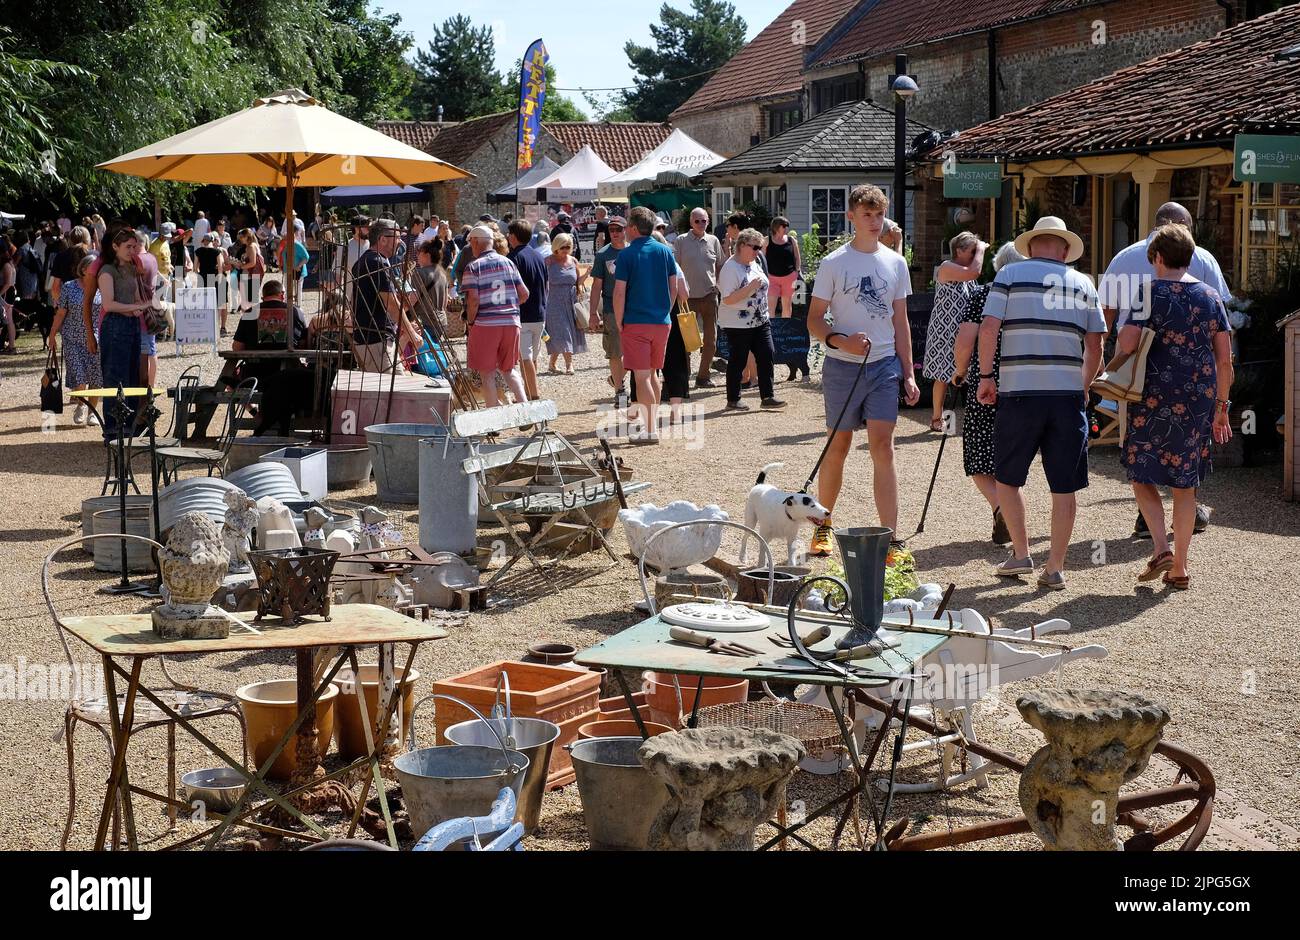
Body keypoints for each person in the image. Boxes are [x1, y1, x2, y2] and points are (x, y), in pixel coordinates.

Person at [977, 217, 1106, 590]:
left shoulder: (1010, 276)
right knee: (1064, 486)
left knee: (1007, 477)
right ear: (1064, 250)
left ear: (1032, 246)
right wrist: (1083, 387)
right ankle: (1055, 567)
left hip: (1019, 392)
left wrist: (987, 377)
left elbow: (989, 327)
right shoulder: (1084, 283)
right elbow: (1096, 344)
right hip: (1066, 397)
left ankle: (1021, 553)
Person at [1099, 200, 1228, 539]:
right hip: (1199, 384)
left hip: (1144, 377)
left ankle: (1149, 524)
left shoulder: (1124, 261)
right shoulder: (1207, 272)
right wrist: (1224, 396)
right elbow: (1224, 342)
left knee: (1143, 450)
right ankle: (1184, 535)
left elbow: (1108, 319)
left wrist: (1101, 367)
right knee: (1186, 457)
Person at [805, 184, 919, 557]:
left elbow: (900, 321)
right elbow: (813, 321)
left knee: (883, 449)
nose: (874, 221)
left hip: (884, 365)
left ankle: (891, 538)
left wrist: (909, 372)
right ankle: (823, 525)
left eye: (878, 214)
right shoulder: (833, 263)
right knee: (838, 446)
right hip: (842, 367)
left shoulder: (896, 262)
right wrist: (841, 341)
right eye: (866, 214)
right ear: (850, 217)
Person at [1119, 224, 1234, 591]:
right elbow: (1225, 360)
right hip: (1198, 397)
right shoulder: (1211, 296)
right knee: (1186, 485)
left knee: (1141, 471)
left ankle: (1160, 548)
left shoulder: (1147, 293)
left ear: (1157, 257)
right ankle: (1179, 567)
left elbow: (1127, 343)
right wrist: (1222, 407)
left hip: (1154, 393)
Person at [953, 242, 1024, 546]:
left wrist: (958, 370)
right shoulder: (1029, 297)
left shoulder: (983, 295)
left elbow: (966, 340)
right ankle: (1009, 512)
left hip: (987, 383)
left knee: (978, 456)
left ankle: (1000, 508)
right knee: (1012, 456)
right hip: (1023, 384)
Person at [614, 206, 677, 443]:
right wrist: (665, 312)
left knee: (641, 378)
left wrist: (619, 320)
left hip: (636, 321)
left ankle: (650, 430)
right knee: (652, 375)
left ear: (632, 227)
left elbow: (619, 293)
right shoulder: (665, 251)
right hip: (661, 321)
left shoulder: (627, 255)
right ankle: (652, 425)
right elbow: (674, 288)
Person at [925, 232, 987, 432]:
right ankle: (938, 419)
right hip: (944, 330)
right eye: (972, 251)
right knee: (942, 377)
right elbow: (974, 272)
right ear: (959, 251)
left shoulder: (966, 270)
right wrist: (982, 249)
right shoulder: (947, 267)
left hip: (964, 331)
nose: (975, 254)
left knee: (968, 376)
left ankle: (969, 421)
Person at [463, 224, 529, 406]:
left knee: (487, 373)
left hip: (485, 324)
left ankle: (493, 421)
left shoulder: (473, 267)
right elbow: (524, 294)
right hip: (511, 322)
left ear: (476, 242)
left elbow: (473, 300)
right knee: (509, 369)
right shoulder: (508, 262)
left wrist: (470, 322)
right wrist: (510, 306)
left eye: (471, 243)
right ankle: (525, 410)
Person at [719, 227, 784, 411]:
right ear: (742, 246)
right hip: (737, 323)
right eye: (754, 247)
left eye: (759, 248)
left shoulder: (754, 263)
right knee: (738, 360)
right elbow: (728, 299)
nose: (758, 251)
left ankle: (768, 396)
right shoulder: (730, 268)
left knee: (767, 353)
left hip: (760, 319)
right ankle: (733, 399)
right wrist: (750, 289)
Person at [96, 229, 149, 438]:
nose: (133, 250)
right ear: (115, 247)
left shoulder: (131, 268)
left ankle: (130, 428)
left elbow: (135, 298)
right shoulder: (107, 270)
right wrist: (135, 307)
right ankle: (113, 430)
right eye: (128, 246)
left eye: (134, 246)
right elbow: (108, 305)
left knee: (132, 377)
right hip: (114, 326)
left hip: (132, 325)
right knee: (115, 379)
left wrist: (141, 307)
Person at [351, 219, 419, 373]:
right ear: (382, 239)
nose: (400, 242)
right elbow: (391, 304)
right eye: (397, 237)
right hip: (376, 341)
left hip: (371, 339)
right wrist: (411, 333)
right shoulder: (377, 262)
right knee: (393, 391)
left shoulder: (363, 261)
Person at [49, 252, 103, 426]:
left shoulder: (103, 286)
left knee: (96, 378)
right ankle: (81, 404)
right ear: (84, 269)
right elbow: (61, 313)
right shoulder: (69, 287)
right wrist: (52, 334)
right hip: (72, 338)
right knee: (79, 378)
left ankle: (92, 412)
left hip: (96, 338)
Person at [675, 208, 723, 389]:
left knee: (711, 340)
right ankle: (684, 377)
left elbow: (719, 265)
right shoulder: (681, 241)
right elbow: (675, 269)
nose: (701, 224)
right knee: (686, 340)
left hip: (709, 296)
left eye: (704, 221)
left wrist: (718, 287)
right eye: (698, 221)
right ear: (691, 222)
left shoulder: (714, 241)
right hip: (687, 298)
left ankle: (703, 376)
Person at [506, 219, 549, 399]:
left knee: (525, 357)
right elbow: (547, 284)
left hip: (523, 314)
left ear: (514, 236)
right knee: (532, 356)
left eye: (509, 234)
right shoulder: (538, 255)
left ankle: (533, 395)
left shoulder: (513, 258)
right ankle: (530, 391)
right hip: (539, 313)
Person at [590, 215, 629, 408]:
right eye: (611, 230)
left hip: (634, 308)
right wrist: (592, 313)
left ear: (626, 230)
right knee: (615, 352)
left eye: (618, 230)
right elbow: (596, 286)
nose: (614, 233)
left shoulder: (633, 251)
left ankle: (617, 378)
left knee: (633, 351)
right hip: (611, 310)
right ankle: (620, 392)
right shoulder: (603, 254)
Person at [654, 230, 693, 423]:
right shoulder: (673, 264)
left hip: (646, 316)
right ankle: (675, 412)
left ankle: (646, 412)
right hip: (672, 317)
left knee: (647, 366)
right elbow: (685, 294)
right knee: (675, 362)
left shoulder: (638, 262)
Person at [543, 232, 587, 376]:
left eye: (568, 247)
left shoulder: (573, 261)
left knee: (561, 334)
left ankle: (552, 364)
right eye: (562, 247)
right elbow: (542, 283)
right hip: (554, 303)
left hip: (571, 301)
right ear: (556, 247)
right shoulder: (548, 261)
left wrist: (586, 275)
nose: (565, 250)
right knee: (564, 332)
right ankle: (569, 365)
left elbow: (578, 282)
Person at [765, 216, 802, 319]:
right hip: (772, 278)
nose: (787, 228)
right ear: (777, 227)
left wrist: (797, 272)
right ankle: (771, 331)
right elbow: (761, 258)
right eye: (784, 226)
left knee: (787, 307)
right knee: (770, 307)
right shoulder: (767, 240)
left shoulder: (791, 240)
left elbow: (797, 257)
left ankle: (785, 332)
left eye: (787, 226)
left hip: (789, 277)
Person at [0, 238, 17, 354]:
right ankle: (11, 345)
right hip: (8, 292)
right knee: (8, 320)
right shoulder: (10, 263)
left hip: (6, 292)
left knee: (7, 320)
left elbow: (7, 283)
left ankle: (11, 346)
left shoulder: (6, 264)